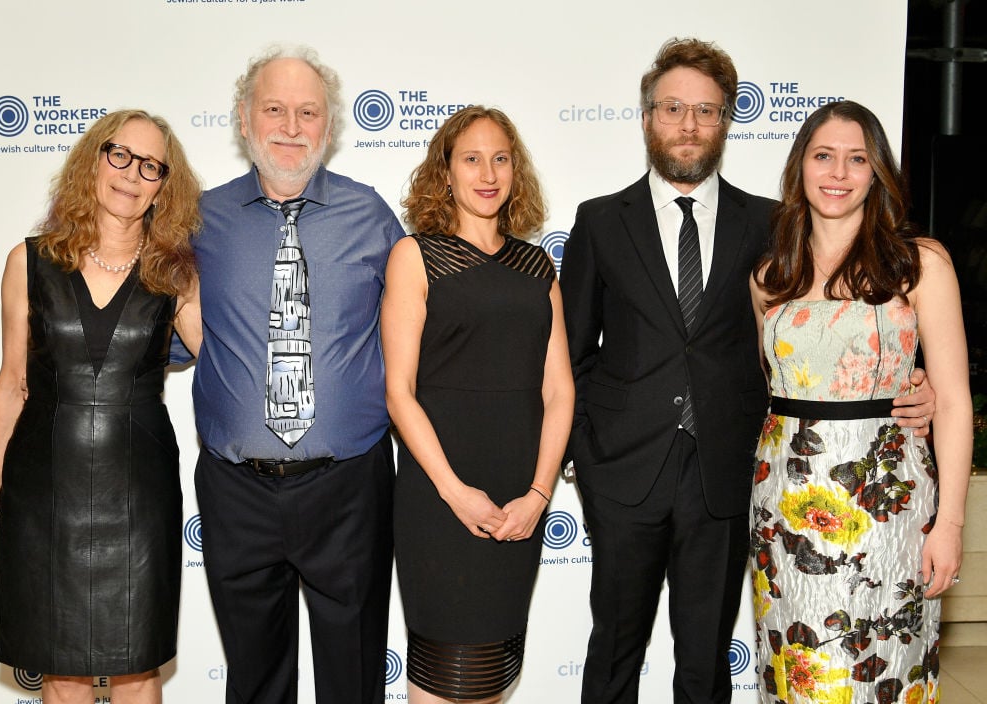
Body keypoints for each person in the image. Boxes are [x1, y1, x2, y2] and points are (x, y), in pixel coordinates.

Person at [560, 38, 937, 704]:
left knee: (706, 660)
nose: (688, 125)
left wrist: (914, 380)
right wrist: (582, 454)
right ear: (647, 117)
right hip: (622, 471)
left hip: (728, 473)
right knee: (612, 651)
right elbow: (571, 352)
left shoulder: (773, 225)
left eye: (705, 111)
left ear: (727, 120)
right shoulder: (597, 221)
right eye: (673, 108)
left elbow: (817, 332)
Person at [188, 45, 403, 704]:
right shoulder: (199, 220)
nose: (289, 126)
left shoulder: (370, 216)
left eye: (307, 112)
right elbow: (158, 326)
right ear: (244, 120)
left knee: (354, 677)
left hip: (349, 485)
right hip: (237, 492)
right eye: (273, 109)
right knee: (255, 683)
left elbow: (419, 335)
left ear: (329, 128)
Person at [0, 109, 201, 704]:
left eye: (151, 166)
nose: (131, 175)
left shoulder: (175, 274)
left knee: (137, 670)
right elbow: (12, 385)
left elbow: (229, 367)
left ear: (163, 186)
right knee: (61, 670)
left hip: (138, 496)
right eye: (120, 155)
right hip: (44, 492)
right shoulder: (28, 261)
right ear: (94, 159)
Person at [749, 100, 970, 704]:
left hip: (891, 506)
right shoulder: (770, 276)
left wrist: (949, 523)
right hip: (785, 513)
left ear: (877, 174)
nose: (838, 173)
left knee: (887, 672)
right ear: (801, 168)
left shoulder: (920, 265)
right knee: (801, 675)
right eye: (824, 157)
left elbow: (951, 402)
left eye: (857, 159)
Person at [382, 106, 575, 703]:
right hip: (439, 498)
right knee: (443, 678)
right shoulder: (414, 256)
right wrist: (453, 490)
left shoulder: (537, 266)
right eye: (471, 158)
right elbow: (399, 392)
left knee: (492, 673)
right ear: (446, 172)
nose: (487, 172)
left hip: (520, 498)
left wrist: (539, 496)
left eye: (500, 158)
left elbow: (560, 390)